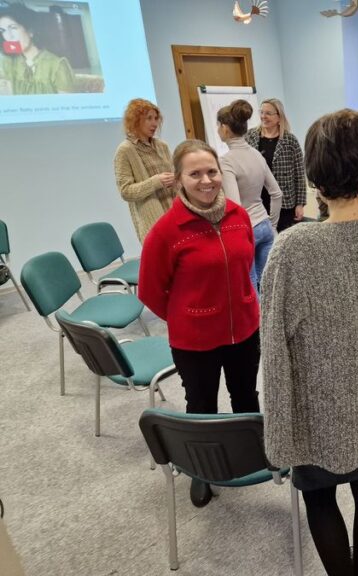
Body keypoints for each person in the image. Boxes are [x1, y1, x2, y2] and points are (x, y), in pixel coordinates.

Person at [261, 109, 358, 576]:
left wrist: (279, 431)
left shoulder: (292, 249)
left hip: (317, 408)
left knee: (320, 496)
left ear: (315, 173)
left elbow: (273, 351)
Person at [139, 140, 260, 508]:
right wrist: (189, 315)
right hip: (195, 339)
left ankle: (247, 458)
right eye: (195, 173)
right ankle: (201, 472)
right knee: (202, 406)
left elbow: (246, 267)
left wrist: (241, 302)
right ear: (178, 180)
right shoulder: (166, 231)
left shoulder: (239, 216)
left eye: (211, 172)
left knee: (245, 397)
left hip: (244, 328)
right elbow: (150, 291)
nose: (206, 180)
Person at [217, 99, 282, 290]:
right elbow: (276, 193)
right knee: (269, 286)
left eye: (218, 126)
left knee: (250, 286)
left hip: (246, 230)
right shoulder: (256, 154)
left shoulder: (227, 161)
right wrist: (272, 224)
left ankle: (257, 321)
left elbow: (234, 205)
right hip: (264, 225)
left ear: (225, 128)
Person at [114, 98, 175, 242]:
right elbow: (126, 191)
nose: (154, 123)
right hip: (153, 221)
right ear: (135, 120)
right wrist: (155, 182)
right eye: (149, 118)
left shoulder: (162, 146)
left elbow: (173, 173)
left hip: (175, 213)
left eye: (156, 118)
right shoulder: (125, 150)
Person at [244, 98, 306, 232]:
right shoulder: (250, 136)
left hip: (285, 201)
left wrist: (300, 204)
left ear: (279, 117)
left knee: (283, 239)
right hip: (258, 200)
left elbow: (300, 174)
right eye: (261, 112)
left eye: (268, 113)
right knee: (263, 238)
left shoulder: (290, 140)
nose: (263, 116)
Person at [0, 4, 74, 94]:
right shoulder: (8, 62)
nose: (8, 36)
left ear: (31, 31)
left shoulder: (57, 65)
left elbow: (66, 105)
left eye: (13, 28)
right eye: (3, 31)